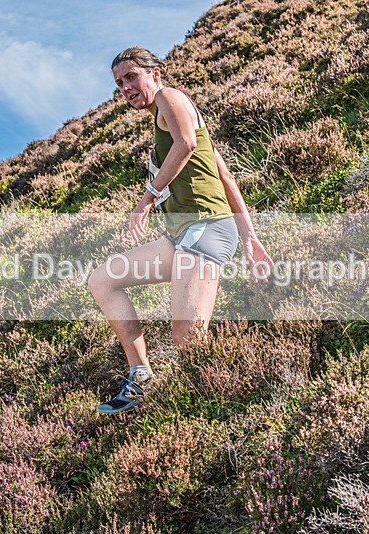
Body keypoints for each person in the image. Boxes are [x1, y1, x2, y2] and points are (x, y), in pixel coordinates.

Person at [88, 47, 273, 414]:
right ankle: (140, 376)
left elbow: (186, 146)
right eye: (119, 83)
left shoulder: (171, 98)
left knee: (186, 339)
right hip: (185, 235)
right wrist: (250, 238)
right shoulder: (171, 116)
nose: (125, 87)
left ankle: (224, 409)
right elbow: (224, 176)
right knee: (102, 281)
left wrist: (147, 199)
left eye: (131, 77)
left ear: (156, 73)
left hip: (205, 228)